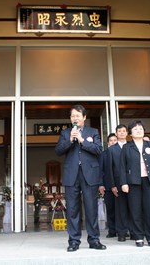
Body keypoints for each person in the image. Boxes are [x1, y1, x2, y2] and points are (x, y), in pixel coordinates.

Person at [55, 104, 106, 252]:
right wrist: (70, 140)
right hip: (72, 175)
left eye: (78, 115)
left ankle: (94, 239)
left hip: (89, 175)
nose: (75, 118)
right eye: (73, 116)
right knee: (72, 209)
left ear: (84, 117)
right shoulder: (65, 133)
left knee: (91, 208)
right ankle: (74, 241)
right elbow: (58, 150)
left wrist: (83, 140)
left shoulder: (93, 132)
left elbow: (98, 149)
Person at [120, 120, 150, 247]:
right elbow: (122, 167)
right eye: (135, 129)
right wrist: (123, 183)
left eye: (140, 128)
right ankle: (138, 236)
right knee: (135, 210)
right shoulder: (127, 147)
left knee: (149, 210)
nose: (138, 130)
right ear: (130, 133)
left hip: (149, 181)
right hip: (133, 182)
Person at [107, 124, 131, 242]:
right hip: (118, 183)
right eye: (119, 131)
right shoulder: (111, 149)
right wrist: (112, 185)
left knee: (133, 208)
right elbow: (110, 169)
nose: (121, 133)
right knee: (120, 208)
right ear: (116, 134)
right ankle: (121, 232)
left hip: (132, 182)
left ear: (127, 133)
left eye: (123, 131)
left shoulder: (132, 146)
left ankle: (134, 231)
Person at [98, 133, 118, 238]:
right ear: (108, 143)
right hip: (108, 186)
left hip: (120, 186)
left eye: (115, 140)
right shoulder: (103, 154)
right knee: (110, 210)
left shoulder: (122, 152)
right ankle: (112, 231)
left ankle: (123, 230)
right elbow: (100, 170)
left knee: (122, 210)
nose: (113, 142)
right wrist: (101, 184)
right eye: (111, 140)